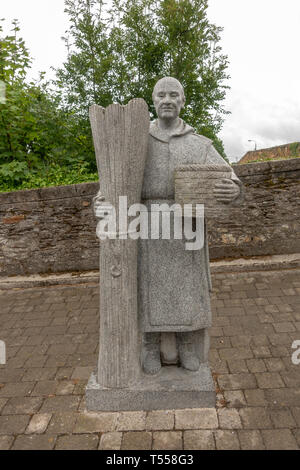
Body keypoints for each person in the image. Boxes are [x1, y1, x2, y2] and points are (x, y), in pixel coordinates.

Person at [94, 77, 243, 375]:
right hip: (146, 226)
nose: (167, 99)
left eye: (174, 94)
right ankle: (149, 346)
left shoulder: (199, 144)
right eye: (161, 95)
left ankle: (188, 345)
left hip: (187, 228)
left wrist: (233, 189)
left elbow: (230, 178)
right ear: (153, 100)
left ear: (183, 101)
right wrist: (100, 201)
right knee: (146, 287)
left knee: (188, 287)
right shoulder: (136, 141)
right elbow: (112, 180)